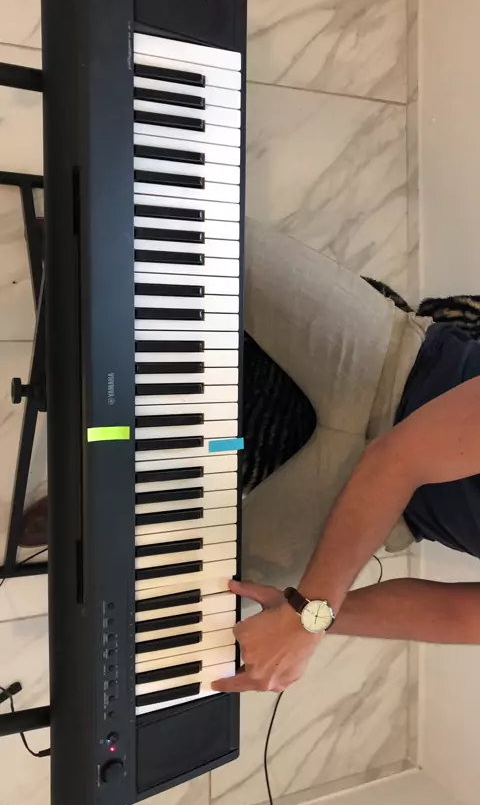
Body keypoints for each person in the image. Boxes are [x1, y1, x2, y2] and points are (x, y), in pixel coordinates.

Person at [20, 220, 480, 694]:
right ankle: (87, 223)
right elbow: (399, 458)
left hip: (381, 510)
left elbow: (460, 615)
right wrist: (311, 610)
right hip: (392, 364)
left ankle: (108, 506)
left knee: (186, 607)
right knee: (183, 229)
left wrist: (305, 620)